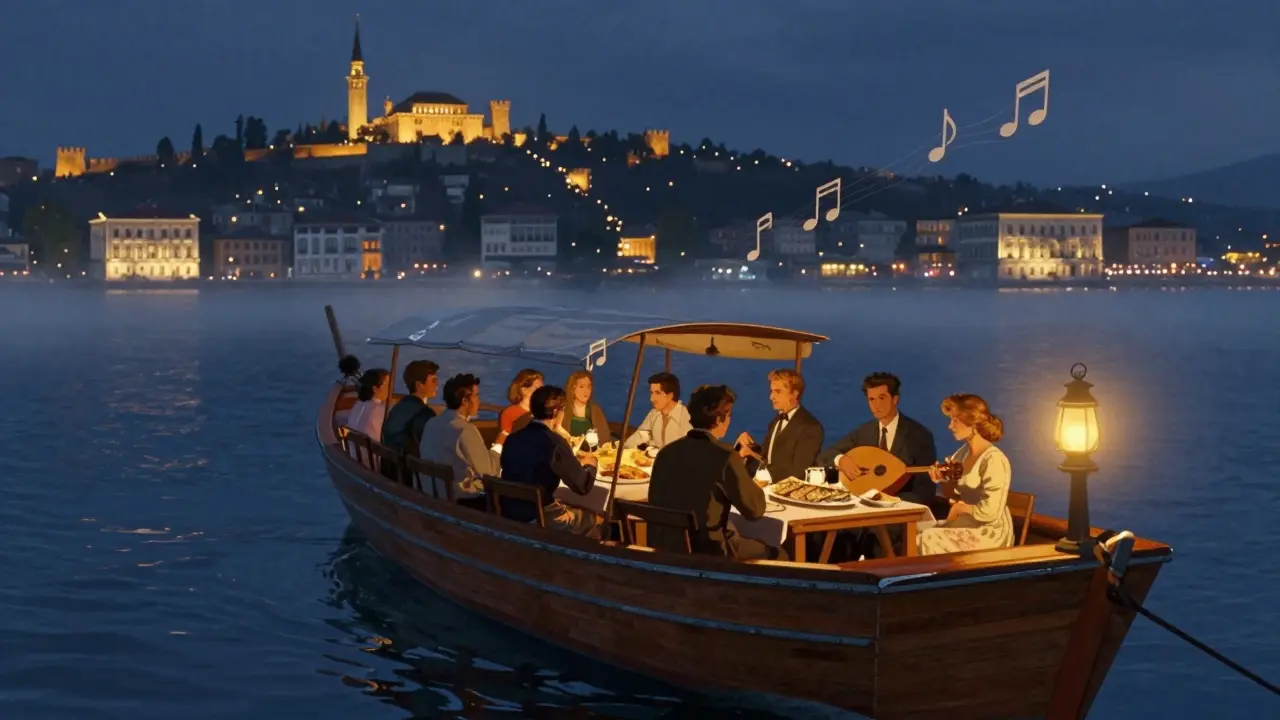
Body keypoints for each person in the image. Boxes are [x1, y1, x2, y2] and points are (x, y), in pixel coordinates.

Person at [647, 385, 786, 560]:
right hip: (711, 550)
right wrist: (747, 469)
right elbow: (755, 510)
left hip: (666, 547)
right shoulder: (725, 456)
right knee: (780, 553)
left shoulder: (666, 453)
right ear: (721, 419)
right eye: (729, 416)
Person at [818, 372, 937, 506]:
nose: (876, 405)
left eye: (882, 398)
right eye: (871, 399)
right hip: (864, 508)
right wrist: (841, 460)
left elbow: (925, 490)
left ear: (895, 399)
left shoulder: (919, 435)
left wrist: (890, 502)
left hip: (900, 512)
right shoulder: (864, 432)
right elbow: (826, 454)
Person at [500, 385, 605, 538]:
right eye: (563, 410)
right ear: (556, 412)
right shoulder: (554, 443)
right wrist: (591, 464)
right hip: (539, 517)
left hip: (510, 512)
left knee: (566, 504)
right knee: (600, 520)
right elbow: (582, 486)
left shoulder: (513, 439)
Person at [918, 394, 1014, 555]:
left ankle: (933, 579)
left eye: (955, 420)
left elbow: (991, 513)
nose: (950, 426)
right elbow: (952, 494)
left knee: (929, 538)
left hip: (989, 532)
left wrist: (961, 508)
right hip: (967, 523)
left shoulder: (994, 459)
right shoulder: (961, 454)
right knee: (917, 530)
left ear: (972, 422)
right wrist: (942, 479)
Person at [419, 374, 499, 511]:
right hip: (460, 501)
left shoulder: (431, 423)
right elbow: (489, 472)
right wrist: (499, 445)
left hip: (431, 493)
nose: (479, 401)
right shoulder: (464, 430)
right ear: (464, 401)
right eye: (476, 396)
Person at [735, 369, 824, 484]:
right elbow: (768, 457)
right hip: (767, 488)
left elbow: (799, 470)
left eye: (778, 391)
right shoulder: (775, 422)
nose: (771, 397)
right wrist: (750, 448)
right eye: (771, 391)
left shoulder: (810, 427)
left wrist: (765, 477)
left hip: (787, 494)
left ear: (794, 394)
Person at [382, 359, 439, 460]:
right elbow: (430, 448)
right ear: (419, 385)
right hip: (409, 472)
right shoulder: (424, 413)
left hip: (390, 467)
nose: (437, 385)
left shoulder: (397, 407)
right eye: (433, 381)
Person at [623, 372, 691, 450]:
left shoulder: (686, 417)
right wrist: (623, 448)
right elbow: (642, 435)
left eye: (657, 393)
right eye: (651, 393)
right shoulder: (654, 414)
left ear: (670, 395)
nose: (652, 399)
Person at [561, 370, 612, 445]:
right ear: (573, 389)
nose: (586, 391)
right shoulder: (563, 409)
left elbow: (604, 438)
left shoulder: (595, 410)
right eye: (581, 387)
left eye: (589, 387)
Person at [496, 369, 542, 445]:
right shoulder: (509, 413)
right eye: (537, 388)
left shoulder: (544, 411)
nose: (542, 392)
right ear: (524, 390)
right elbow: (505, 441)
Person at [347, 368, 390, 444]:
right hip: (372, 454)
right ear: (375, 389)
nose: (391, 387)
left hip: (355, 452)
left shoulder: (357, 406)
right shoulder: (381, 411)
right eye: (387, 384)